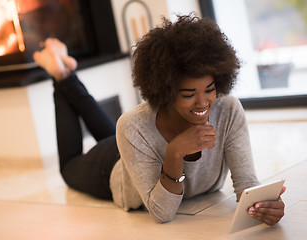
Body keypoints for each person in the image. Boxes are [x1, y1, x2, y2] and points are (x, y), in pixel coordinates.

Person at [33, 14, 285, 224]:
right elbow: (162, 213)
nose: (202, 103)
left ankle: (67, 74)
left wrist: (263, 205)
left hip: (131, 142)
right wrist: (174, 152)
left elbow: (246, 184)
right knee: (69, 167)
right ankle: (59, 74)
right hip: (111, 167)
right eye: (188, 94)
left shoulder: (227, 110)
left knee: (118, 131)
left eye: (209, 89)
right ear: (164, 91)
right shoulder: (133, 126)